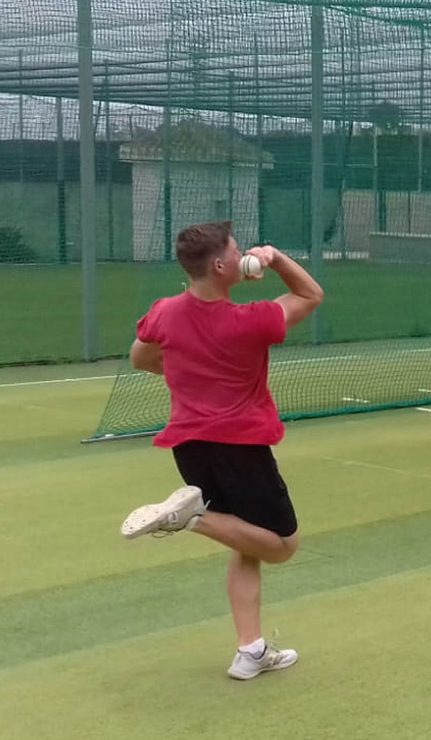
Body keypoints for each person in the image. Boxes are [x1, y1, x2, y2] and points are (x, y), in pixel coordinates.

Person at [120, 221, 324, 678]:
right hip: (241, 448)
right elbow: (311, 295)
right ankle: (190, 517)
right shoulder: (251, 320)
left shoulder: (166, 312)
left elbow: (141, 357)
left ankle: (250, 650)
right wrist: (274, 258)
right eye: (235, 250)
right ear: (220, 265)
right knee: (282, 546)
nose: (241, 254)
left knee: (245, 543)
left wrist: (180, 369)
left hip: (189, 447)